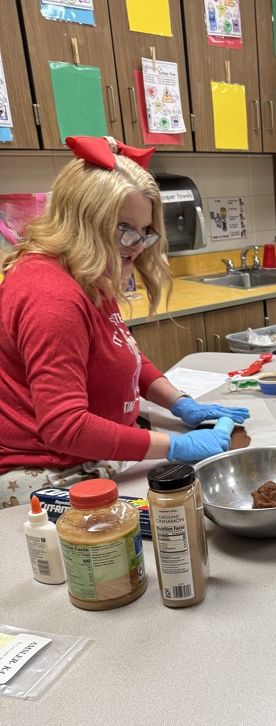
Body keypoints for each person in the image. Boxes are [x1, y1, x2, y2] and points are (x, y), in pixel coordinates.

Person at [0, 135, 248, 508]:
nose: (136, 244)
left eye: (146, 231)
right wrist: (176, 445)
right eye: (125, 228)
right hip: (49, 474)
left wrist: (180, 403)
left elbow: (120, 351)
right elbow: (65, 428)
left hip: (94, 451)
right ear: (84, 220)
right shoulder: (51, 296)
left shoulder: (85, 270)